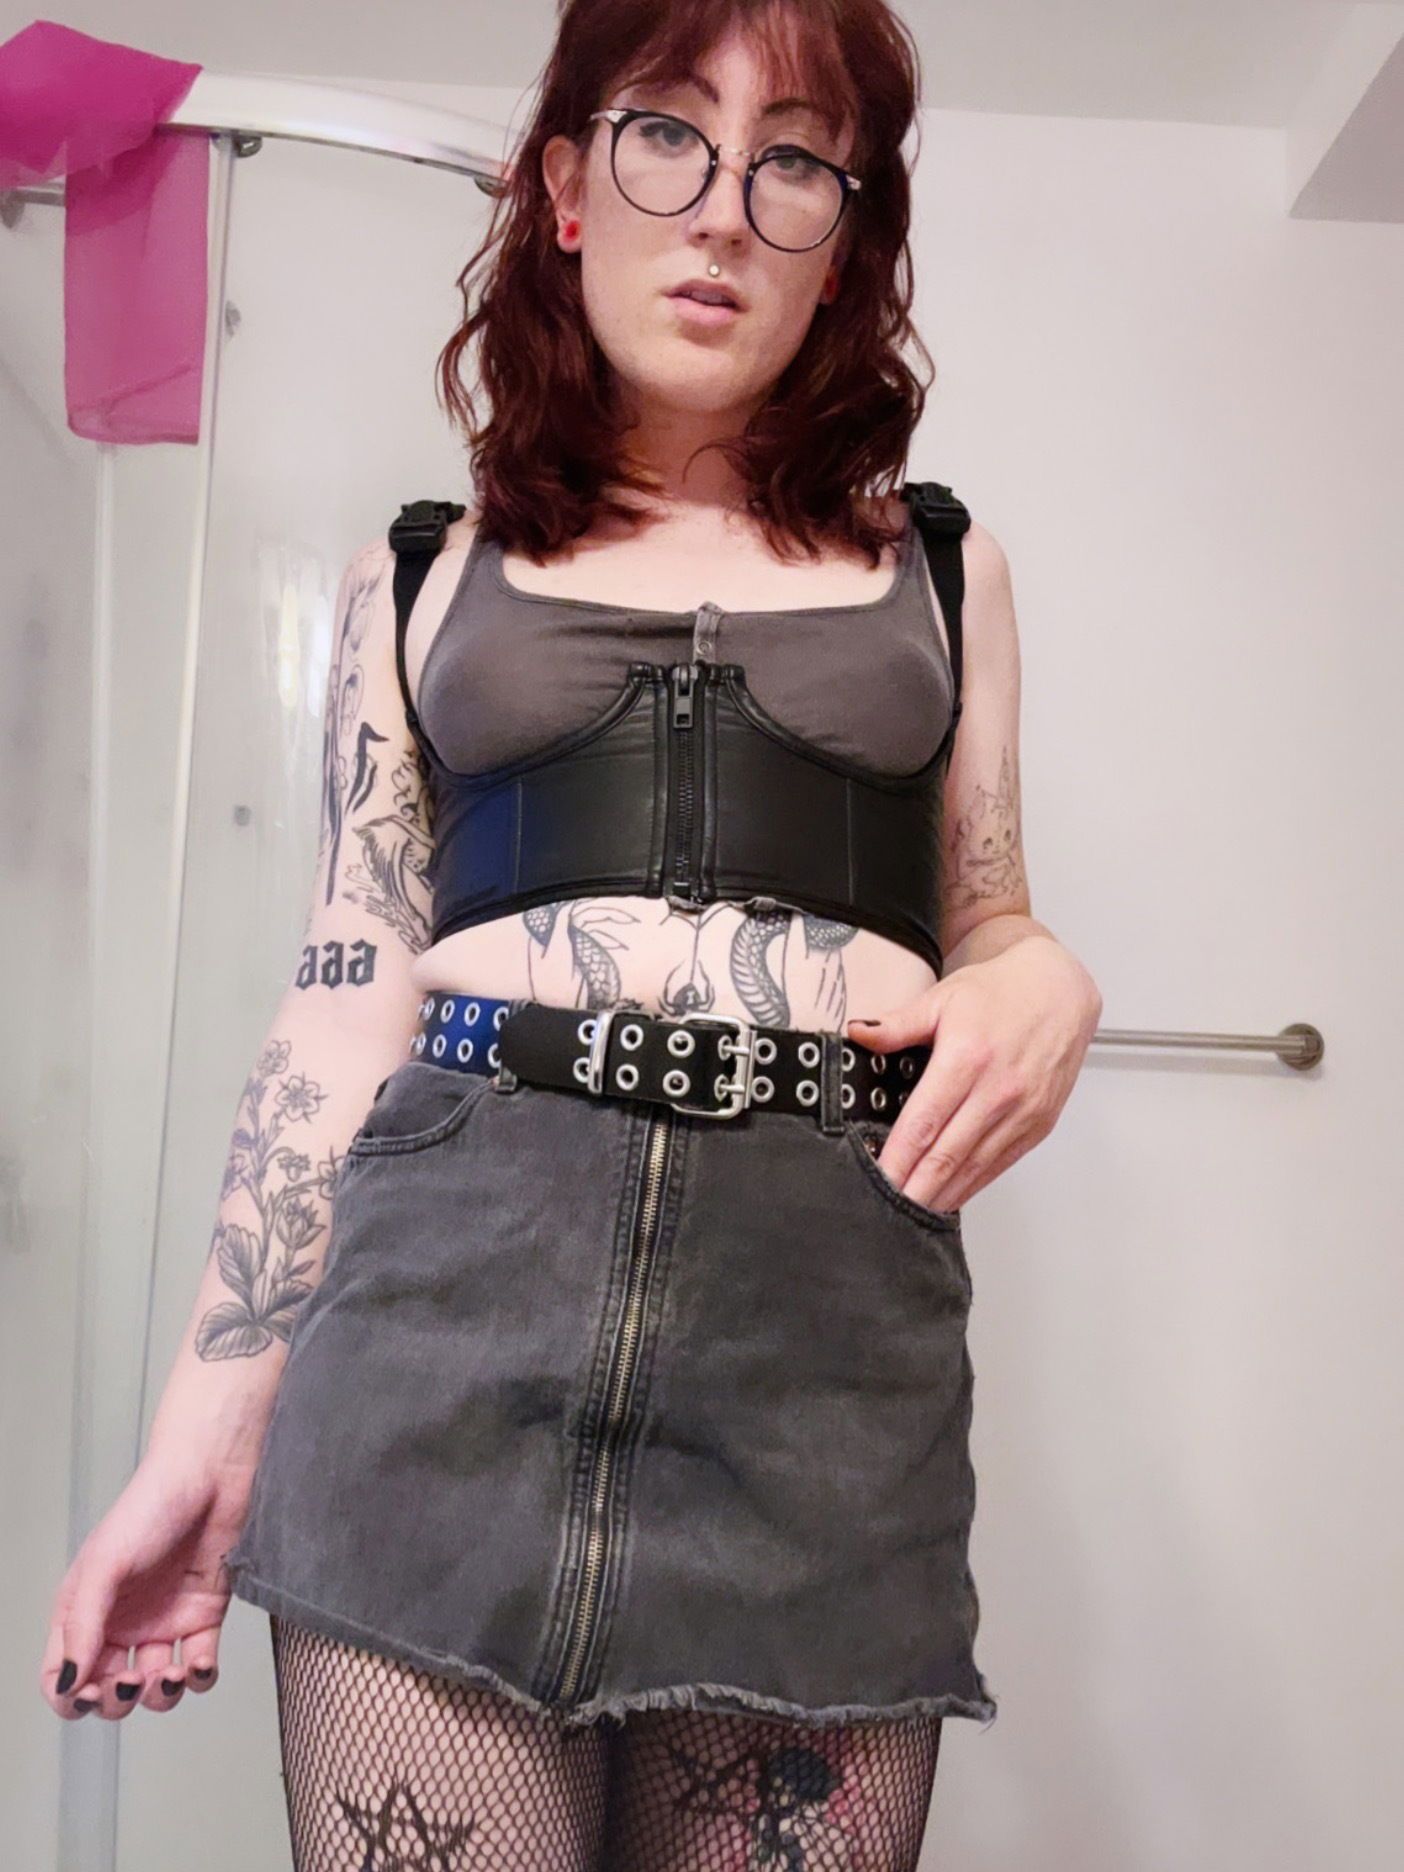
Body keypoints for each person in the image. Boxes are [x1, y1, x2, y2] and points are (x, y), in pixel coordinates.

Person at [39, 1, 1103, 1865]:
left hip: (822, 1386)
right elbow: (342, 1009)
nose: (723, 209)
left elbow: (993, 918)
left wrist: (1048, 982)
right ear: (564, 189)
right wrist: (197, 1446)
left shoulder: (946, 571)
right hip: (439, 1352)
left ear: (841, 236)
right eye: (666, 133)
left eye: (793, 159)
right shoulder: (416, 580)